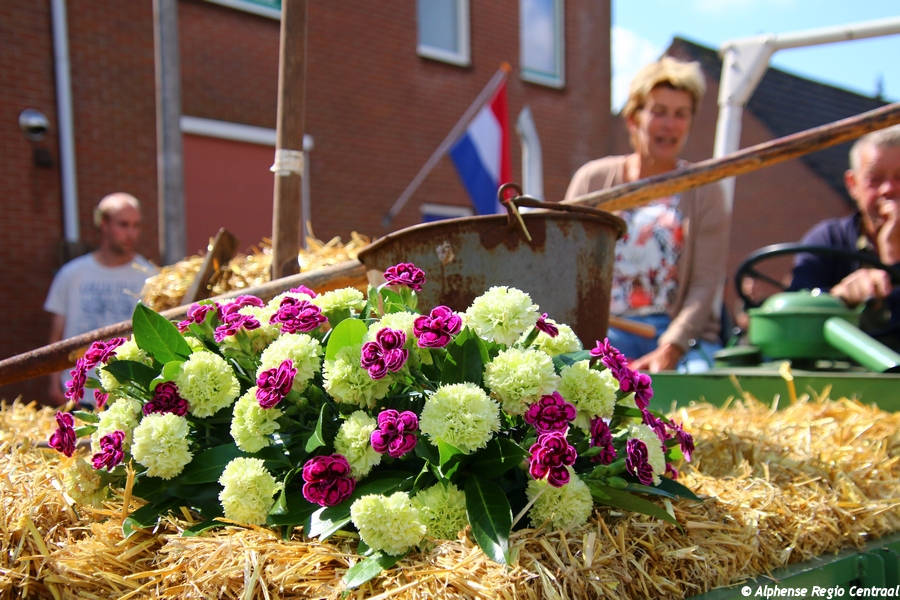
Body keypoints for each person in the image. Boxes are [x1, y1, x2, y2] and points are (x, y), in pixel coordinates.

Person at [563, 57, 729, 373]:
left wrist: (672, 346)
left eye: (680, 114)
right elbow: (564, 263)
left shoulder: (706, 191)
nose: (669, 124)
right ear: (633, 118)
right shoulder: (593, 181)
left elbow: (705, 284)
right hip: (606, 330)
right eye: (659, 111)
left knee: (694, 386)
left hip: (677, 335)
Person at [789, 125, 900, 348]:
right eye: (875, 179)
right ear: (852, 184)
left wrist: (892, 256)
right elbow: (796, 316)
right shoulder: (827, 240)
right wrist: (838, 297)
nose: (888, 189)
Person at [44, 193, 158, 406]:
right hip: (79, 391)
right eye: (123, 224)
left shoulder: (150, 277)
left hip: (129, 394)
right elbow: (57, 333)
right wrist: (53, 383)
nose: (131, 233)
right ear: (104, 224)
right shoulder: (72, 274)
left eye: (136, 225)